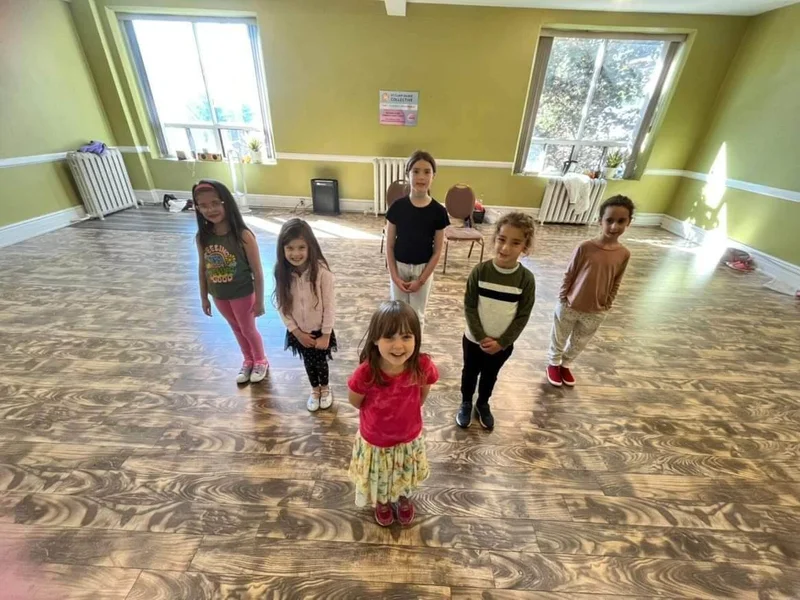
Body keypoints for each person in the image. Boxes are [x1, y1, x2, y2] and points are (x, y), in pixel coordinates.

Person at [347, 301, 438, 527]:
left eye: (406, 337)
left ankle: (404, 496)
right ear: (376, 339)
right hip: (377, 441)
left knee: (404, 472)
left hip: (409, 437)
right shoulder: (366, 372)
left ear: (416, 338)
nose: (398, 345)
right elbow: (355, 401)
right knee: (380, 475)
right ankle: (383, 502)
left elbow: (423, 393)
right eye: (390, 337)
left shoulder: (422, 365)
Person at [456, 212, 536, 431]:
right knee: (469, 373)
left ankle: (482, 403)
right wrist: (481, 337)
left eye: (515, 242)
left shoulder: (526, 279)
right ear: (495, 239)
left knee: (490, 376)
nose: (506, 248)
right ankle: (466, 402)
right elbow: (470, 306)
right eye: (502, 239)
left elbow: (523, 315)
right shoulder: (480, 272)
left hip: (502, 345)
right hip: (473, 340)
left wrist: (502, 342)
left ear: (525, 247)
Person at [546, 195, 634, 387]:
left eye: (621, 221)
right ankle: (554, 363)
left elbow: (616, 281)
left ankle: (566, 364)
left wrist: (607, 304)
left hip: (596, 309)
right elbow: (570, 273)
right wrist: (563, 297)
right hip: (570, 304)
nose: (614, 227)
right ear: (600, 220)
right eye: (609, 220)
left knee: (580, 340)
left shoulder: (624, 254)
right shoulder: (585, 247)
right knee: (560, 335)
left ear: (629, 222)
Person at [194, 179, 268, 384]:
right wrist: (204, 298)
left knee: (248, 329)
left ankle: (261, 360)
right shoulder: (202, 238)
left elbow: (258, 271)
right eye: (204, 205)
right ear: (198, 208)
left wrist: (260, 301)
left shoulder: (243, 236)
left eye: (215, 203)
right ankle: (248, 360)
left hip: (243, 292)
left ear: (226, 203)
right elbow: (202, 269)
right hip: (219, 295)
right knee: (236, 328)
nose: (211, 209)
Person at [274, 218, 337, 412]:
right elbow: (281, 305)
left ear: (310, 247)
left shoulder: (322, 273)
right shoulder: (281, 272)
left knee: (321, 362)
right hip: (299, 332)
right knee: (308, 362)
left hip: (320, 330)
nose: (296, 253)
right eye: (290, 248)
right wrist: (296, 332)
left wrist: (326, 333)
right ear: (282, 249)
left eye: (301, 247)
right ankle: (314, 390)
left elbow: (330, 306)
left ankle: (325, 389)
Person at [385, 150, 450, 332]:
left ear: (433, 176)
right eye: (415, 171)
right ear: (408, 174)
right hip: (399, 266)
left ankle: (414, 355)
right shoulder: (398, 207)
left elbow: (437, 251)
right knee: (397, 314)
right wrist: (395, 276)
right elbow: (389, 246)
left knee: (417, 316)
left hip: (424, 269)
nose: (421, 177)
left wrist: (421, 280)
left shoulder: (438, 212)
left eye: (427, 172)